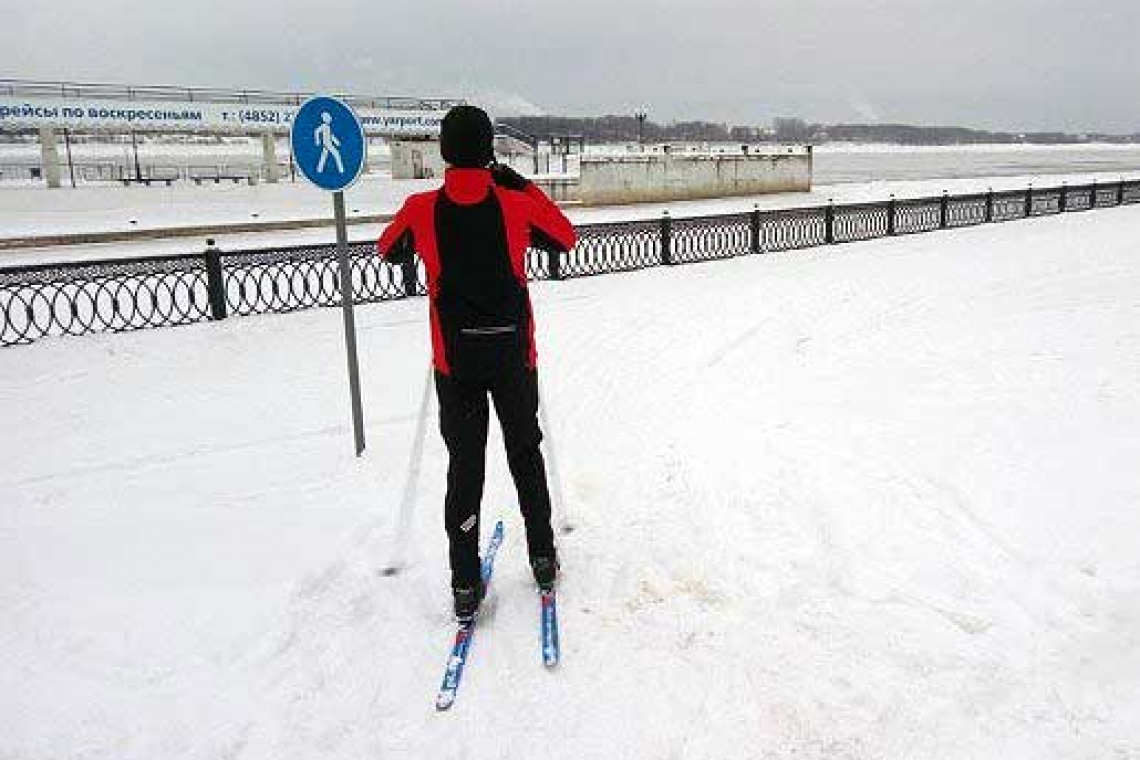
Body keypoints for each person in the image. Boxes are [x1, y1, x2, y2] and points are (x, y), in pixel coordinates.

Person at [376, 105, 576, 622]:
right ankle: (542, 556)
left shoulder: (422, 209)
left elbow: (387, 250)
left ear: (444, 150)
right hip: (513, 358)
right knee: (524, 455)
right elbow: (564, 236)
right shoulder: (512, 204)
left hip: (455, 364)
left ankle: (465, 582)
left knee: (465, 469)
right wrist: (520, 185)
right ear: (489, 150)